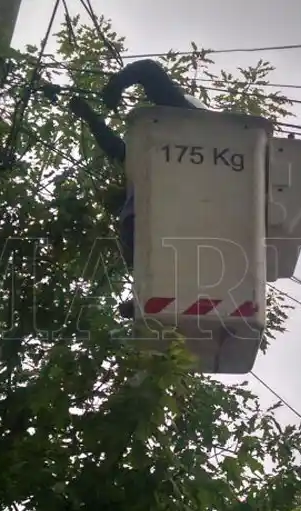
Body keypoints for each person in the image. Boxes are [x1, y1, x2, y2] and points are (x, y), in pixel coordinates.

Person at [66, 60, 207, 318]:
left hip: (159, 219)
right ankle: (148, 293)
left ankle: (150, 293)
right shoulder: (151, 145)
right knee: (161, 258)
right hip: (161, 221)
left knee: (158, 255)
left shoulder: (188, 122)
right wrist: (91, 117)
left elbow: (149, 71)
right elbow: (117, 149)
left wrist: (115, 86)